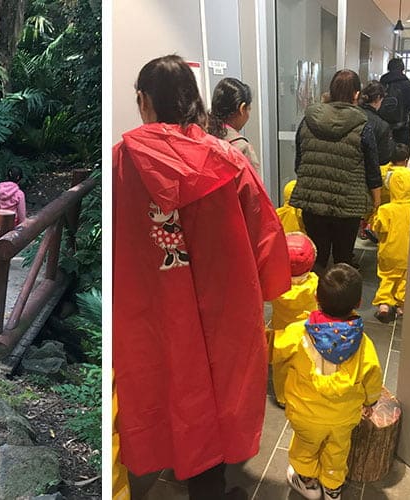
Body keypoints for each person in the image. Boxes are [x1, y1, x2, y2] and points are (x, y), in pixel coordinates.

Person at [113, 54, 290, 499]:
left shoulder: (121, 162)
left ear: (144, 100)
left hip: (151, 303)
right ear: (193, 100)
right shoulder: (228, 159)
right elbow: (263, 231)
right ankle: (209, 484)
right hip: (222, 302)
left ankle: (183, 466)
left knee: (165, 377)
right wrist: (271, 286)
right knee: (219, 381)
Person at [273, 263, 383, 500]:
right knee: (338, 449)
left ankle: (307, 481)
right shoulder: (364, 344)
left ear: (316, 297)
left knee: (305, 446)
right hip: (344, 417)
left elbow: (273, 349)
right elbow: (372, 377)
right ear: (358, 303)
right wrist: (370, 402)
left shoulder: (295, 332)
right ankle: (333, 488)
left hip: (304, 413)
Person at [290, 69, 382, 274]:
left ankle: (314, 301)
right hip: (347, 207)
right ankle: (340, 303)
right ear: (356, 94)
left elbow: (299, 163)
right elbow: (372, 170)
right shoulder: (362, 125)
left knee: (316, 259)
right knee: (342, 260)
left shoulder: (308, 121)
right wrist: (376, 201)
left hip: (313, 201)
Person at [269, 232, 318, 408]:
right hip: (307, 331)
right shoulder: (314, 283)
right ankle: (305, 391)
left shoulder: (276, 285)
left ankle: (282, 398)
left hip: (281, 332)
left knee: (281, 364)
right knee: (306, 361)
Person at [372, 167, 410, 323]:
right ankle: (401, 304)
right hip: (409, 252)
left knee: (387, 277)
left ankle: (384, 303)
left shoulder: (386, 209)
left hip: (389, 251)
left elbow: (378, 227)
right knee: (404, 278)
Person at [207, 77, 261, 176]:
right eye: (249, 109)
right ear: (242, 109)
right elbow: (254, 189)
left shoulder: (202, 138)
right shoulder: (242, 148)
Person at [379, 57, 410, 151]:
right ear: (403, 69)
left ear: (388, 68)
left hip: (382, 131)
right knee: (401, 159)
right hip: (401, 131)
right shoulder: (407, 85)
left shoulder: (381, 84)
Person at [359, 80, 395, 166]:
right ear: (378, 98)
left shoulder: (352, 113)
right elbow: (383, 158)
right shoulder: (381, 125)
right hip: (368, 172)